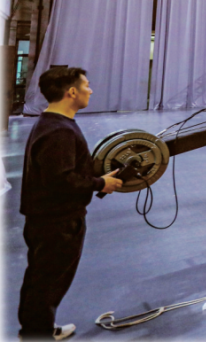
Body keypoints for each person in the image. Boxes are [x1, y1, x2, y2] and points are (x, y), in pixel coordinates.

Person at [19, 67, 124, 340]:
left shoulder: (52, 123)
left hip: (47, 218)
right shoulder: (59, 131)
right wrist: (101, 184)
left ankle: (36, 330)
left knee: (41, 278)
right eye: (87, 85)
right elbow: (61, 180)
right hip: (58, 222)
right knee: (48, 283)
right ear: (73, 91)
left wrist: (97, 176)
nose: (91, 90)